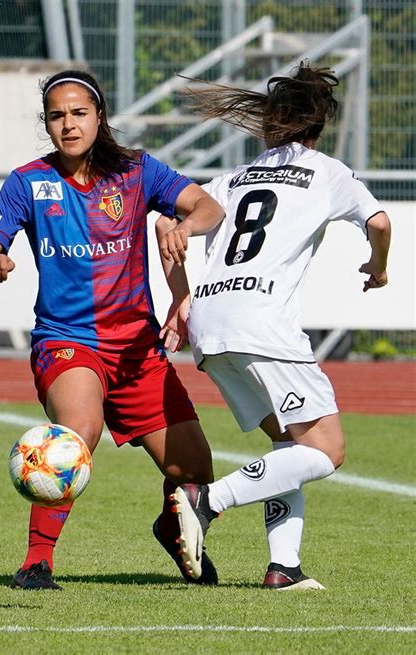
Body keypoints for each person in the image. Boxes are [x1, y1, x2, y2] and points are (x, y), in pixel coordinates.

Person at [0, 69, 224, 590]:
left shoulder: (137, 171)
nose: (68, 124)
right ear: (47, 123)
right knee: (78, 433)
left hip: (137, 350)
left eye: (79, 113)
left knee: (195, 473)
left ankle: (172, 525)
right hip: (68, 341)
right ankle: (36, 562)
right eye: (57, 115)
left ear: (99, 117)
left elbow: (208, 206)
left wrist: (183, 225)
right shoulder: (27, 182)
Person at [159, 61, 391, 590]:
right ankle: (204, 501)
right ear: (318, 125)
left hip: (212, 324)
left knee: (291, 447)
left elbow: (164, 226)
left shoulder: (229, 180)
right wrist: (379, 265)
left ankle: (283, 567)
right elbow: (380, 223)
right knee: (325, 450)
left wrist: (180, 299)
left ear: (270, 124)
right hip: (263, 325)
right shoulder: (328, 171)